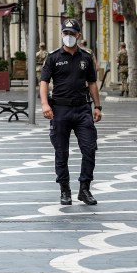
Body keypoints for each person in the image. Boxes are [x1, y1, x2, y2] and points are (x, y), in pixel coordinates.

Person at [40, 18, 102, 206]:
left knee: (89, 148)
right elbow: (44, 82)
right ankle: (64, 189)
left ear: (78, 35)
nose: (68, 36)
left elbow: (92, 83)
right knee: (61, 151)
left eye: (72, 33)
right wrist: (45, 104)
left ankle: (85, 188)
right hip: (60, 110)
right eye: (65, 33)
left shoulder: (86, 57)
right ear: (61, 34)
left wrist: (97, 106)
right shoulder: (53, 57)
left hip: (82, 109)